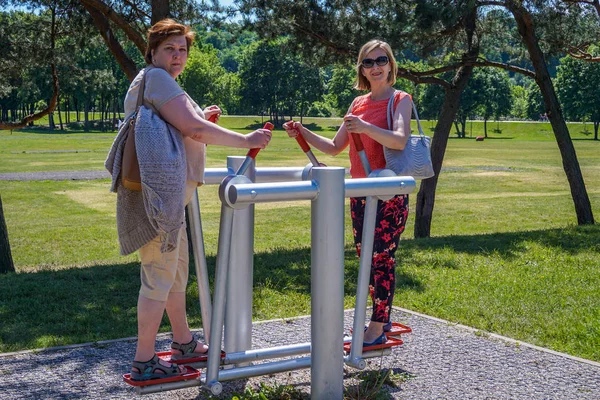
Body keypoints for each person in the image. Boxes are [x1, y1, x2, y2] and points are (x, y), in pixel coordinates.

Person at [117, 19, 272, 381]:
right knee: (158, 277)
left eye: (182, 49)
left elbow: (187, 125)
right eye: (169, 48)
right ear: (152, 52)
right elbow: (193, 129)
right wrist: (246, 139)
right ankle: (144, 362)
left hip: (172, 202)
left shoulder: (157, 82)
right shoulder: (155, 78)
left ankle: (183, 342)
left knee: (174, 276)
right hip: (160, 203)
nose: (177, 55)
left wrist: (203, 119)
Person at [283, 39, 411, 347]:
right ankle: (381, 318)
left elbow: (399, 140)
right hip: (359, 192)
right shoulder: (357, 104)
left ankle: (377, 326)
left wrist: (365, 128)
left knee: (381, 257)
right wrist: (304, 132)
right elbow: (335, 147)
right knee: (366, 258)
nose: (375, 67)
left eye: (381, 60)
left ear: (390, 64)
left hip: (387, 191)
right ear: (361, 69)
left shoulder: (400, 99)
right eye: (368, 62)